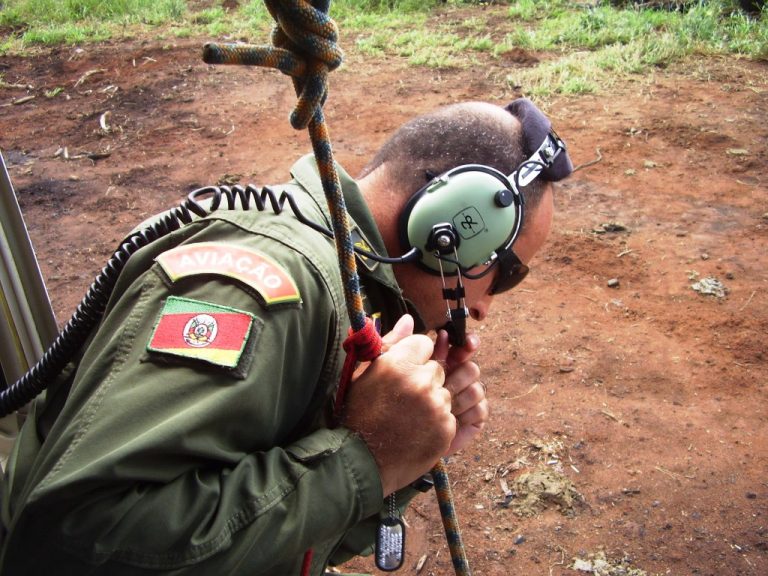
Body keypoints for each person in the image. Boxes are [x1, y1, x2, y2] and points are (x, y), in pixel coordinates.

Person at [0, 98, 572, 575]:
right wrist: (363, 458)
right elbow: (68, 543)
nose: (487, 310)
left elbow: (271, 542)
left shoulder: (354, 297)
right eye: (508, 273)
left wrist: (408, 453)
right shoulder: (270, 289)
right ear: (455, 225)